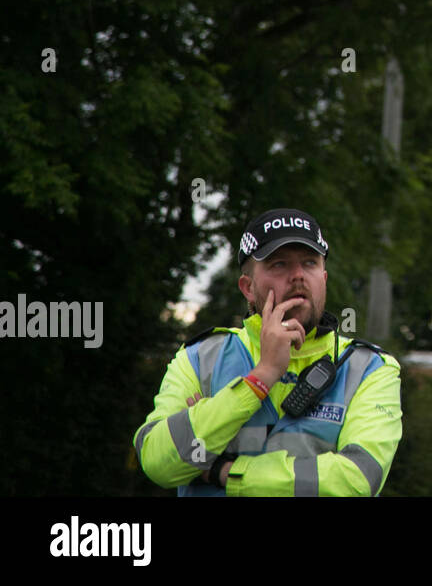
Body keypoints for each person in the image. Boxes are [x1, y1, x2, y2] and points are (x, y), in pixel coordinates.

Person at [133, 208, 402, 496]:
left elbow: (357, 481)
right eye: (279, 265)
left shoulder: (370, 369)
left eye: (309, 263)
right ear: (248, 288)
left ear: (323, 278)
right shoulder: (200, 358)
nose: (298, 276)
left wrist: (225, 472)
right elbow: (156, 462)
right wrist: (261, 377)